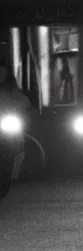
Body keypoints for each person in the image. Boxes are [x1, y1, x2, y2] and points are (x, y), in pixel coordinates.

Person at [0, 63, 32, 199]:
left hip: (6, 132)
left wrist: (16, 110)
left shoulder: (13, 91)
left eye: (2, 73)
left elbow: (26, 103)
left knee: (8, 159)